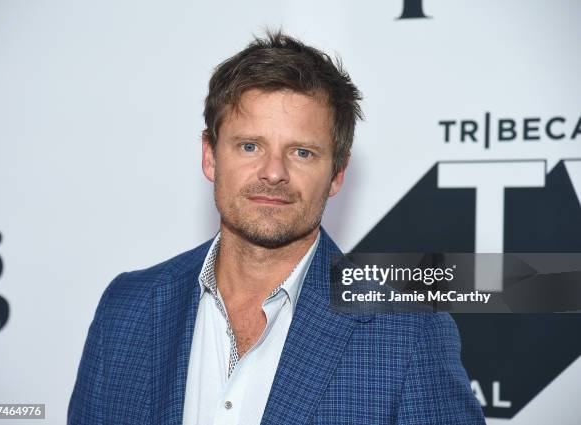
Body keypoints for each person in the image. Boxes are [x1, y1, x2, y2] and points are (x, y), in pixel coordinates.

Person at [68, 30, 485, 425]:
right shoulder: (127, 308)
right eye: (250, 146)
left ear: (337, 175)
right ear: (210, 156)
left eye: (302, 152)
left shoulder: (407, 328)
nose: (272, 173)